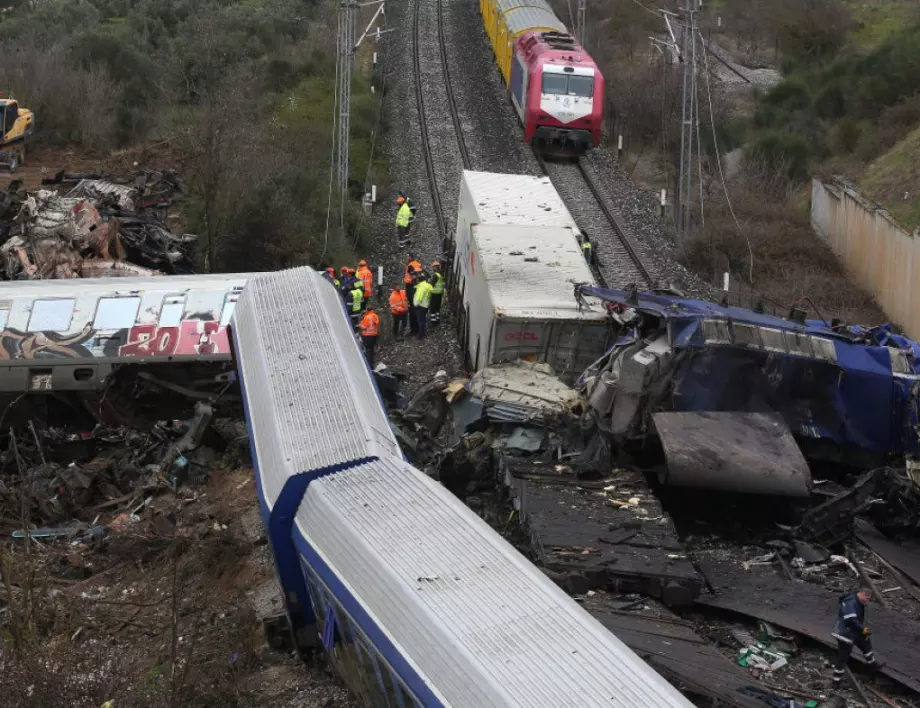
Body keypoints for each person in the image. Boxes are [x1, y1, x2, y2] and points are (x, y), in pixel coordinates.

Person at [831, 589, 879, 686]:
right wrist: (862, 630)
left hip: (853, 631)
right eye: (867, 599)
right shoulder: (850, 602)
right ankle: (836, 681)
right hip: (844, 633)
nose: (867, 602)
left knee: (865, 642)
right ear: (862, 594)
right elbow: (850, 620)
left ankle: (873, 667)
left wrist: (863, 632)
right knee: (843, 656)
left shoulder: (856, 600)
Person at [413, 273, 433, 338]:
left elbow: (419, 297)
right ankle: (423, 332)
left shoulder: (421, 288)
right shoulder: (428, 286)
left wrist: (415, 304)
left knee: (420, 320)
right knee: (423, 320)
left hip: (421, 306)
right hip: (426, 305)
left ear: (419, 280)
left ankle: (421, 334)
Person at [429, 261, 445, 326]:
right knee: (437, 308)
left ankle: (433, 322)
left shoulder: (436, 275)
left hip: (434, 294)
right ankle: (437, 320)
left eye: (434, 267)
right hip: (440, 294)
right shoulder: (441, 274)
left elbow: (431, 285)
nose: (433, 268)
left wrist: (428, 282)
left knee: (433, 308)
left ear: (436, 267)